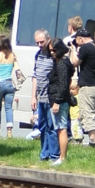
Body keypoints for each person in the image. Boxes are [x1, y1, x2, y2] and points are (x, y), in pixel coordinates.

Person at [69, 27, 95, 146]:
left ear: (80, 39)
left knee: (88, 114)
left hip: (87, 87)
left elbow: (74, 62)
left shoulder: (85, 48)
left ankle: (92, 142)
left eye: (76, 40)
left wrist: (73, 49)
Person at [31, 29, 59, 161]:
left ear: (48, 39)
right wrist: (33, 96)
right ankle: (44, 154)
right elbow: (35, 76)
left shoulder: (53, 55)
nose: (40, 45)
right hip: (40, 97)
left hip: (50, 97)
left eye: (42, 42)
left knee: (52, 126)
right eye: (37, 42)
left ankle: (54, 155)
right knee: (42, 126)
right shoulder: (38, 55)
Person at [47, 38, 75, 165]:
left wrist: (57, 101)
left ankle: (62, 157)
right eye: (50, 50)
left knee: (61, 128)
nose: (52, 52)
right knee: (59, 128)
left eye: (54, 50)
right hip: (57, 98)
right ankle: (61, 156)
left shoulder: (62, 64)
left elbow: (63, 84)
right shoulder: (60, 62)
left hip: (59, 100)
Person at [0, 35, 17, 137]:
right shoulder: (12, 55)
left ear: (0, 44)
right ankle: (9, 131)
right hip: (9, 83)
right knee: (8, 107)